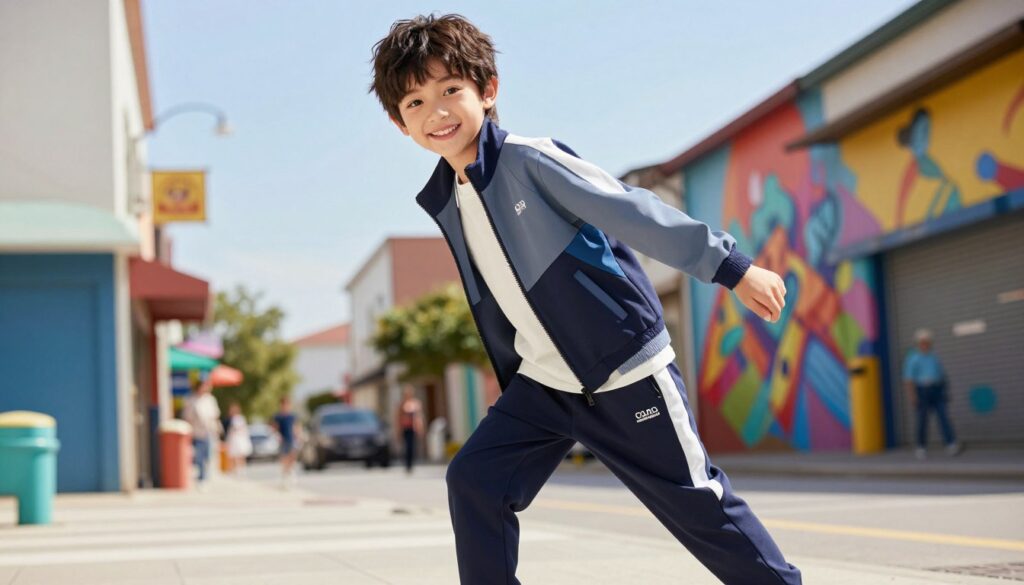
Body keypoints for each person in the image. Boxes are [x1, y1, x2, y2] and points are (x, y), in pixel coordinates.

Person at [368, 14, 800, 585]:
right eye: (416, 103)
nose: (437, 112)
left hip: (622, 370)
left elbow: (631, 210)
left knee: (700, 510)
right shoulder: (451, 194)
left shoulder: (528, 160)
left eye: (451, 90)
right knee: (475, 481)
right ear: (401, 124)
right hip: (547, 384)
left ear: (488, 89)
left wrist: (732, 267)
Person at [903, 328, 962, 460]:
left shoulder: (934, 357)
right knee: (922, 420)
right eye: (922, 342)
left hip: (937, 390)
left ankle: (951, 444)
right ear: (918, 343)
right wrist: (912, 396)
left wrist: (945, 390)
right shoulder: (913, 359)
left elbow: (941, 375)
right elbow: (908, 379)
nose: (925, 344)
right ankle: (921, 447)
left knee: (943, 417)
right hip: (922, 390)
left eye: (927, 342)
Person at [182, 375, 222, 489]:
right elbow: (187, 416)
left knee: (208, 455)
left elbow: (215, 416)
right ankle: (201, 477)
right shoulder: (191, 399)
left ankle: (205, 476)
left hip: (209, 431)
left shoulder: (210, 399)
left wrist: (217, 429)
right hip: (196, 431)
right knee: (198, 455)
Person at [271, 396, 301, 489]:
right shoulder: (278, 416)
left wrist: (298, 435)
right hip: (282, 440)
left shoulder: (292, 416)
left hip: (291, 439)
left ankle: (290, 473)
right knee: (284, 459)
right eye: (283, 404)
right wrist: (277, 435)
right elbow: (274, 428)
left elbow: (296, 427)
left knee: (292, 457)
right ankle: (285, 477)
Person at [395, 385, 425, 474]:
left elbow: (419, 416)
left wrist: (421, 427)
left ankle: (411, 464)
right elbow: (398, 417)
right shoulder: (401, 404)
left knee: (412, 447)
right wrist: (398, 430)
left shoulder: (416, 403)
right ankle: (407, 465)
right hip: (405, 428)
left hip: (414, 428)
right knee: (407, 447)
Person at [225, 402, 253, 475]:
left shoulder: (239, 418)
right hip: (234, 439)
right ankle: (235, 469)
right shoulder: (230, 419)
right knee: (234, 455)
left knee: (240, 455)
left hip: (239, 439)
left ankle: (240, 469)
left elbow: (241, 428)